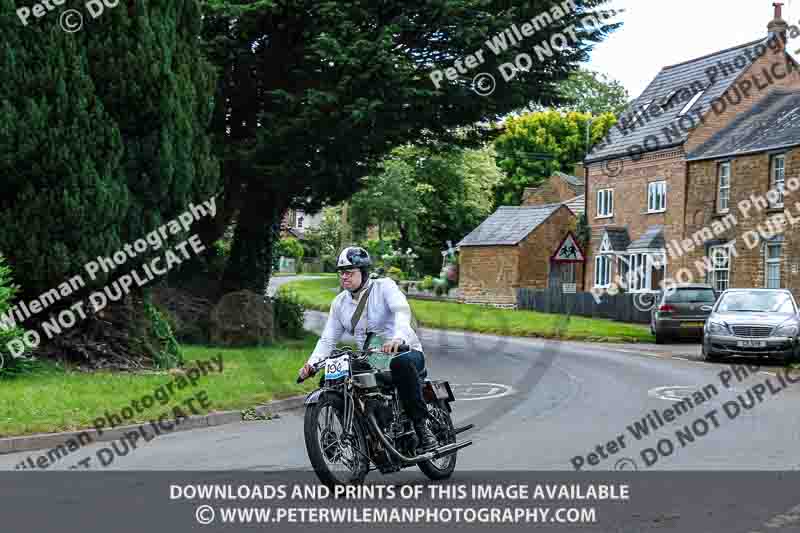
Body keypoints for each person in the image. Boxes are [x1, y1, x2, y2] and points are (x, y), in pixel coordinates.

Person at [298, 246, 438, 452]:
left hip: (404, 351)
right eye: (341, 272)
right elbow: (328, 339)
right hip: (372, 359)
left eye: (349, 272)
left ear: (363, 273)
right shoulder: (340, 303)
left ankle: (422, 429)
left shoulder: (384, 287)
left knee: (402, 364)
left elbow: (401, 311)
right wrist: (311, 364)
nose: (344, 277)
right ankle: (357, 431)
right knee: (330, 378)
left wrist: (398, 338)